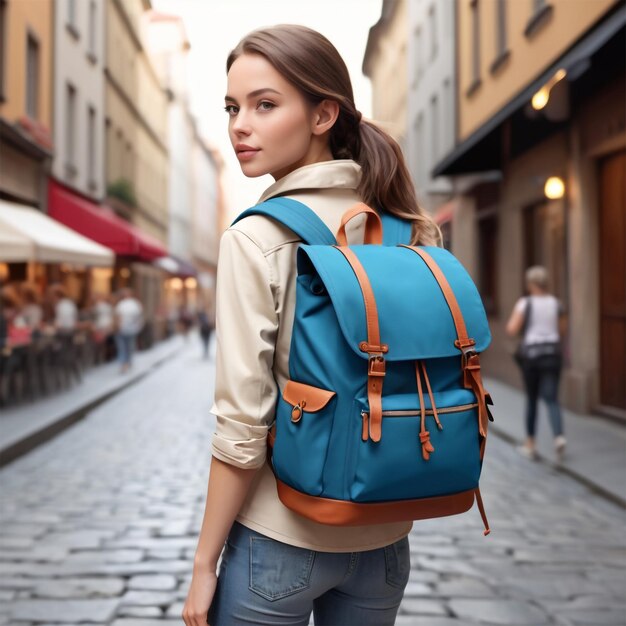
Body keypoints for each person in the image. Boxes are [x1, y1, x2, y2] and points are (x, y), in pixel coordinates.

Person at [182, 25, 442, 626]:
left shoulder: (258, 236)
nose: (239, 125)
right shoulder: (408, 225)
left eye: (264, 105)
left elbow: (243, 425)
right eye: (231, 107)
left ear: (324, 114)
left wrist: (203, 563)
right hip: (383, 541)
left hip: (280, 539)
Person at [506, 266, 566, 461]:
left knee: (532, 399)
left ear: (531, 284)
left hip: (532, 357)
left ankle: (531, 443)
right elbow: (562, 329)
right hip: (552, 355)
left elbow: (511, 329)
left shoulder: (525, 303)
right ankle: (559, 437)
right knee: (552, 398)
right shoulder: (556, 303)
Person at [114, 288, 144, 373]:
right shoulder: (130, 304)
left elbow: (138, 317)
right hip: (125, 329)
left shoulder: (130, 304)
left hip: (128, 329)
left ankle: (126, 363)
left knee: (126, 347)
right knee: (125, 347)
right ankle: (125, 363)